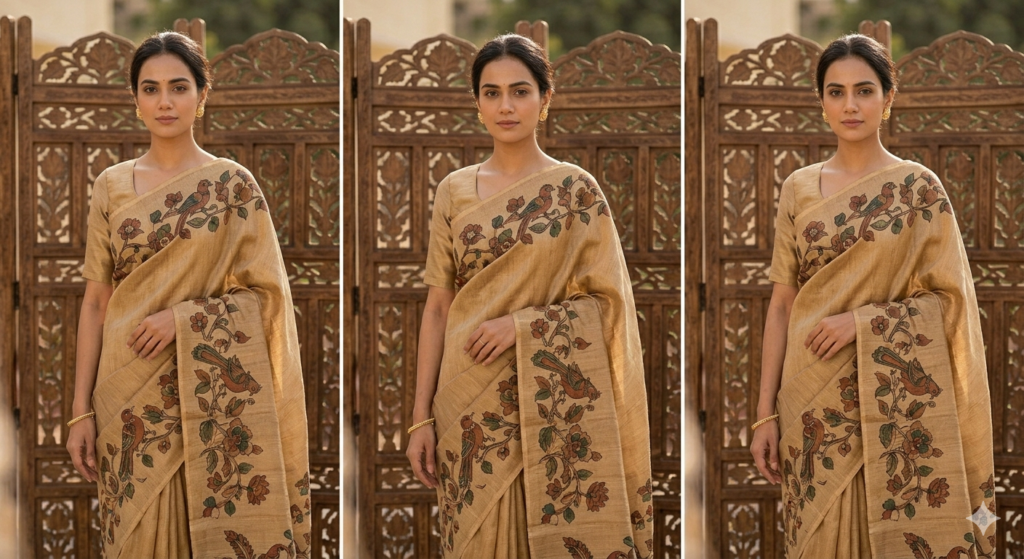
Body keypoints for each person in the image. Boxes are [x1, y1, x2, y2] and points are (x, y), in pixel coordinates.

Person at [404, 34, 654, 559]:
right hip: (467, 401)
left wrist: (520, 327)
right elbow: (437, 309)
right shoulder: (454, 190)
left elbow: (608, 306)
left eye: (519, 91)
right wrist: (421, 417)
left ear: (545, 99)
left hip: (554, 405)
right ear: (476, 103)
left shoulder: (575, 191)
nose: (506, 106)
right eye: (491, 93)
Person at [749, 34, 996, 558]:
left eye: (864, 90)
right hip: (810, 398)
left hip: (895, 403)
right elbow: (781, 305)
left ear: (889, 97)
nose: (850, 105)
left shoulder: (918, 189)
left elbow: (950, 304)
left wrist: (861, 322)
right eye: (835, 92)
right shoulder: (797, 188)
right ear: (821, 102)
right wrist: (764, 413)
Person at [66, 32, 311, 559]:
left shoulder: (232, 186)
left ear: (204, 95)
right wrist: (79, 410)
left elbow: (267, 299)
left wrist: (184, 319)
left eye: (179, 87)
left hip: (210, 398)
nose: (164, 101)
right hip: (125, 392)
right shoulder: (111, 186)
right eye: (150, 89)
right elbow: (94, 301)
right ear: (135, 100)